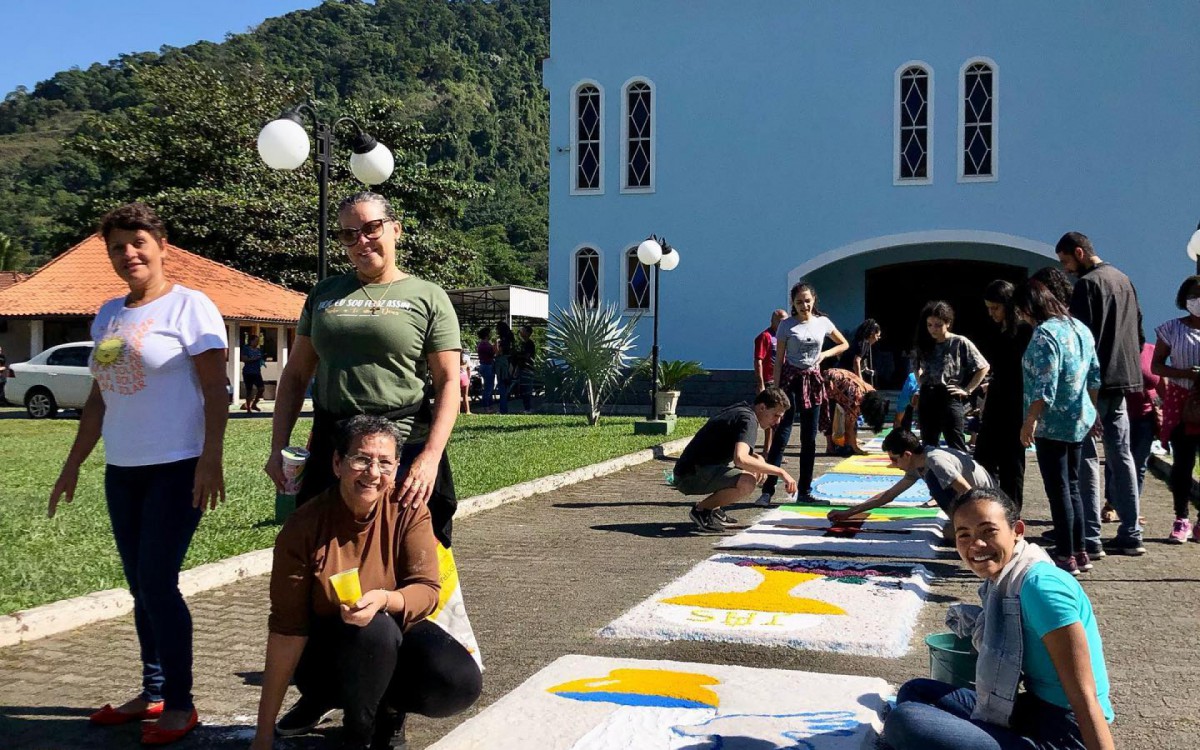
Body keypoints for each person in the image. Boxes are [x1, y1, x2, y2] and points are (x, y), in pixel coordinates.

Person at [48, 203, 229, 745]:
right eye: (117, 247)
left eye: (138, 242)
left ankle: (180, 703)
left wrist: (211, 457)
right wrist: (73, 464)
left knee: (157, 582)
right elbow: (100, 399)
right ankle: (152, 691)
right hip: (122, 469)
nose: (128, 253)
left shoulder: (191, 308)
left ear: (162, 246)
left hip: (177, 467)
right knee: (139, 587)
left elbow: (216, 389)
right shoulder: (107, 315)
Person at [251, 416, 481, 750]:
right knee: (375, 631)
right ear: (336, 462)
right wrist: (262, 734)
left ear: (397, 467)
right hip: (323, 656)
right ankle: (357, 732)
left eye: (385, 463)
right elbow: (287, 630)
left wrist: (384, 600)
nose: (373, 473)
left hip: (388, 635)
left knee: (458, 679)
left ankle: (388, 709)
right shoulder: (303, 527)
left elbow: (428, 589)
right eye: (361, 459)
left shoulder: (409, 510)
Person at [265, 191, 462, 550]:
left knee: (406, 555)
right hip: (335, 443)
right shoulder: (324, 294)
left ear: (396, 230)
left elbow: (449, 381)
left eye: (372, 228)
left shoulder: (428, 296)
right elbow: (295, 377)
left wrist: (430, 458)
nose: (362, 241)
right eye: (348, 234)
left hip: (402, 445)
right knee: (327, 552)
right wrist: (278, 446)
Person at [882, 488, 1115, 750]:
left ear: (1017, 531)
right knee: (915, 692)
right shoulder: (1004, 580)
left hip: (1067, 732)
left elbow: (1085, 697)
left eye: (988, 531)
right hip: (1033, 710)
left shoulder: (1041, 587)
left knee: (905, 721)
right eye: (964, 535)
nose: (976, 545)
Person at [1057, 231, 1146, 556]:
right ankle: (1131, 531)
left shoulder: (1088, 285)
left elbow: (1080, 339)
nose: (1065, 269)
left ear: (1079, 253)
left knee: (1087, 458)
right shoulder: (1123, 279)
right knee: (1122, 456)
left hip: (1093, 384)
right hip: (1123, 381)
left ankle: (1091, 536)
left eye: (1066, 261)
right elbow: (1138, 330)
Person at [1016, 280, 1101, 576]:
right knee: (1073, 485)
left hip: (1052, 421)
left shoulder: (1044, 334)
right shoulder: (1079, 327)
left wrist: (1030, 420)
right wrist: (1093, 411)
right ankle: (1080, 549)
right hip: (1078, 418)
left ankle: (1065, 554)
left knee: (1059, 489)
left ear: (1029, 307)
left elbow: (1044, 383)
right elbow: (1094, 374)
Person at [760, 281, 848, 504]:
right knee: (782, 434)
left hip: (813, 381)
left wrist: (825, 354)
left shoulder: (822, 322)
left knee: (809, 438)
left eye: (807, 301)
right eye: (799, 302)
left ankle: (805, 491)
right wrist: (776, 391)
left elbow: (844, 343)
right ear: (793, 303)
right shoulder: (786, 326)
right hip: (790, 380)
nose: (804, 305)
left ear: (814, 300)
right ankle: (767, 490)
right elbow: (778, 361)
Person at [673, 387, 797, 533]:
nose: (778, 421)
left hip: (691, 470)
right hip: (689, 476)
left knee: (755, 468)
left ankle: (713, 507)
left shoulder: (742, 411)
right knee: (747, 482)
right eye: (776, 415)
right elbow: (741, 459)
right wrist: (781, 472)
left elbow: (740, 453)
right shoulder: (748, 420)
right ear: (762, 407)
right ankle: (702, 510)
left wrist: (758, 460)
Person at [827, 429, 995, 523]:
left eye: (894, 459)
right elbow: (888, 495)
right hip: (980, 503)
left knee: (951, 533)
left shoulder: (935, 461)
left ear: (907, 454)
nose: (893, 464)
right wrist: (848, 513)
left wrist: (977, 527)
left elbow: (969, 492)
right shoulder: (916, 464)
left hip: (988, 504)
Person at [974, 280, 1033, 512]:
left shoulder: (1025, 331)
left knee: (1012, 464)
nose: (991, 313)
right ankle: (987, 508)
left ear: (1008, 305)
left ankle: (1012, 513)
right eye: (988, 308)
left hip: (1016, 404)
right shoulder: (998, 330)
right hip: (997, 401)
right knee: (983, 459)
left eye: (995, 308)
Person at [1151, 275, 1200, 544]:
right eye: (1195, 295)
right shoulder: (1171, 329)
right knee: (1183, 464)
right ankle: (1181, 518)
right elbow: (1156, 365)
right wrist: (1183, 373)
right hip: (1181, 403)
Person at [914, 300, 990, 452]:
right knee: (928, 445)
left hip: (949, 395)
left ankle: (960, 475)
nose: (933, 329)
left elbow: (983, 366)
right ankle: (932, 475)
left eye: (938, 325)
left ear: (947, 323)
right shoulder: (924, 342)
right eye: (929, 325)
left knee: (955, 443)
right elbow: (916, 365)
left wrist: (968, 390)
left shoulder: (959, 342)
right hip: (928, 395)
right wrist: (920, 381)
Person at [820, 367, 888, 456]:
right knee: (829, 414)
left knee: (850, 419)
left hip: (836, 375)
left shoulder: (871, 391)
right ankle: (831, 447)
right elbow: (848, 427)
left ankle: (845, 445)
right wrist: (856, 448)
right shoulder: (856, 400)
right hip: (828, 382)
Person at [753, 308, 788, 458]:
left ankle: (774, 450)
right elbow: (758, 361)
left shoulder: (783, 337)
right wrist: (761, 383)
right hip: (768, 380)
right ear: (773, 321)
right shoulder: (764, 337)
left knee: (778, 417)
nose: (782, 324)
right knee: (769, 415)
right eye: (780, 321)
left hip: (781, 379)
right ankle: (767, 451)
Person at [841, 319, 882, 383]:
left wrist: (866, 369)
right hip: (846, 372)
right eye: (877, 336)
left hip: (851, 372)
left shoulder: (867, 344)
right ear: (872, 334)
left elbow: (863, 358)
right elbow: (856, 361)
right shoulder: (861, 343)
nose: (877, 339)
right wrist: (860, 381)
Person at [241, 334, 266, 413]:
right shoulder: (246, 349)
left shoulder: (258, 350)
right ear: (251, 341)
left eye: (258, 341)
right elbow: (244, 359)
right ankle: (248, 408)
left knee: (261, 388)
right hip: (248, 372)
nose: (257, 343)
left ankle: (254, 404)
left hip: (257, 372)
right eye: (256, 341)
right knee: (249, 390)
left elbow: (260, 359)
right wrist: (254, 359)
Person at [514, 324, 536, 413]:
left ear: (527, 332)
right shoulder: (523, 343)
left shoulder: (530, 344)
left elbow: (527, 356)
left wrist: (518, 355)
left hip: (527, 369)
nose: (521, 332)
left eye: (523, 330)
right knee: (523, 389)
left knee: (527, 389)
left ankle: (528, 408)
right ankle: (526, 407)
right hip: (522, 368)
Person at [476, 327, 495, 411]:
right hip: (488, 366)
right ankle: (486, 407)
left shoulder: (480, 344)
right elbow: (492, 354)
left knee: (488, 387)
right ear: (487, 335)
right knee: (489, 387)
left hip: (482, 365)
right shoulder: (487, 345)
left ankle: (489, 406)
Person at [494, 331, 513, 415]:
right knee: (505, 391)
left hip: (502, 373)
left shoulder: (500, 357)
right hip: (508, 373)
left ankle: (503, 409)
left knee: (502, 391)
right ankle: (504, 409)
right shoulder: (510, 347)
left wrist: (496, 343)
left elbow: (497, 353)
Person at [459, 350, 473, 415]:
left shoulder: (455, 358)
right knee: (465, 396)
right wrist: (469, 378)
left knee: (457, 396)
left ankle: (458, 411)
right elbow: (469, 369)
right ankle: (468, 411)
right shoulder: (466, 358)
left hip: (458, 377)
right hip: (465, 377)